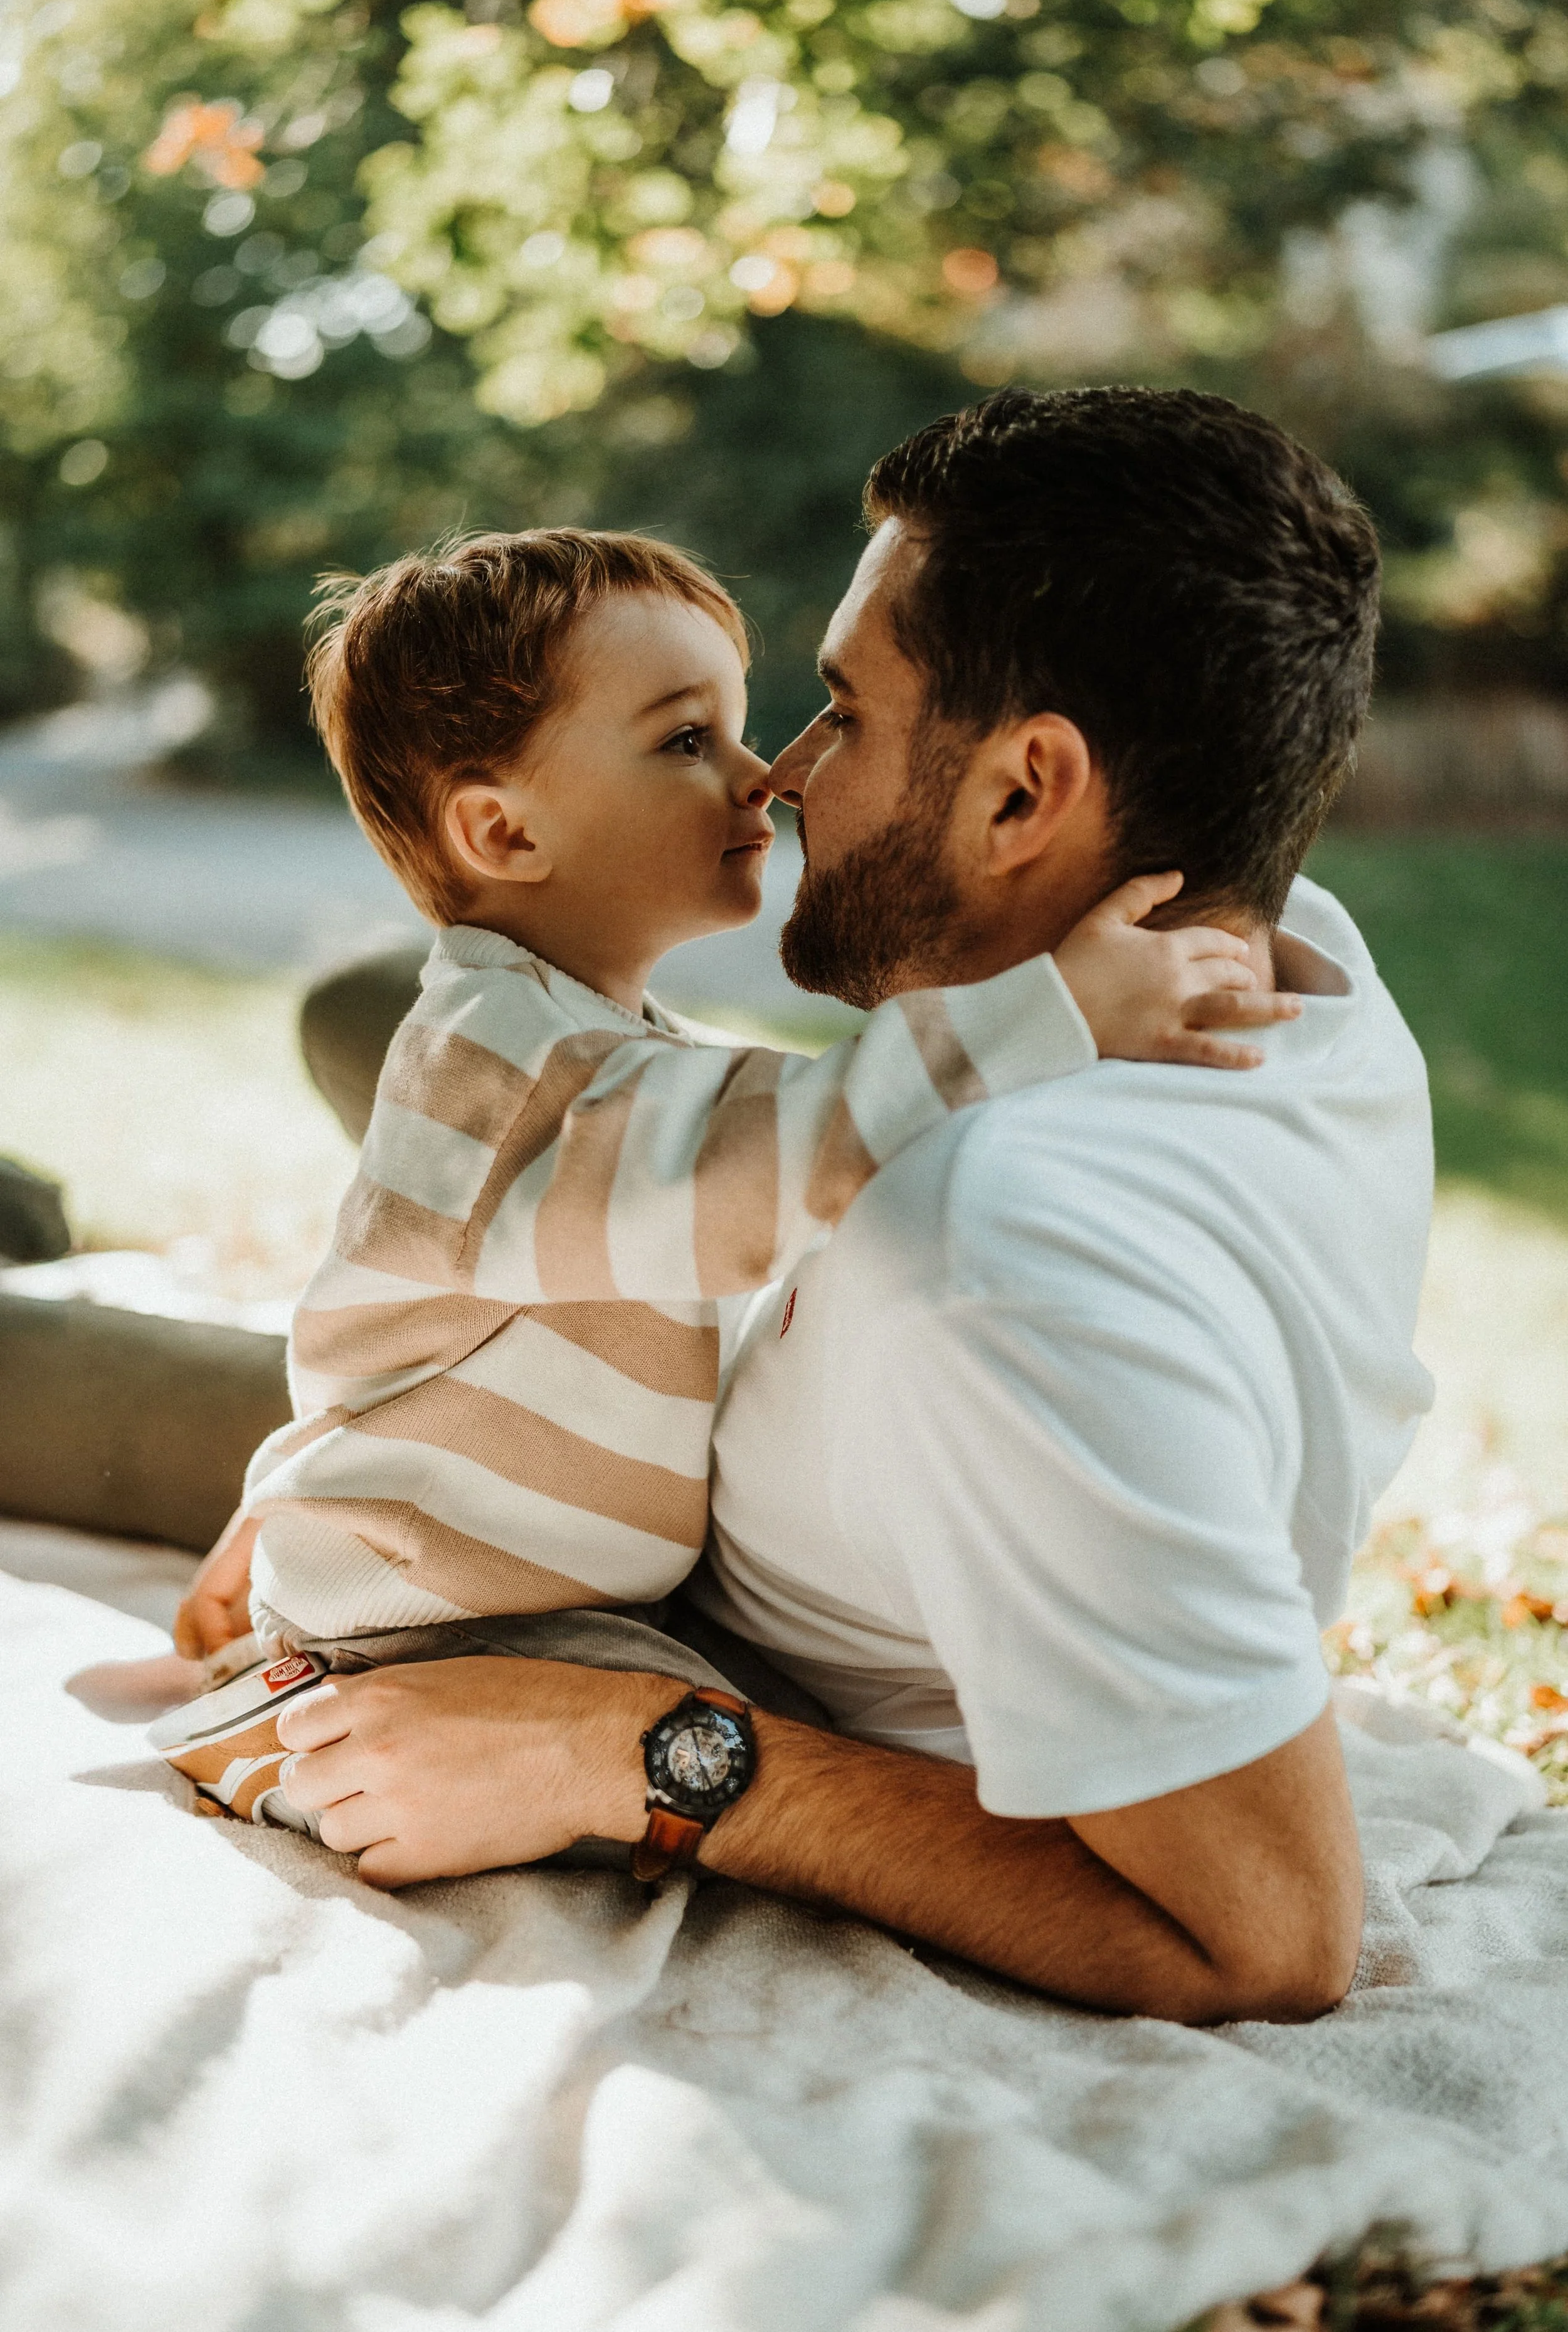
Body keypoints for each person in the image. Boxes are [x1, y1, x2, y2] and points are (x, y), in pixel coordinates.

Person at [179, 386, 1433, 2025]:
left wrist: (627, 1748)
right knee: (396, 1067)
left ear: (1021, 793)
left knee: (366, 1200)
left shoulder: (992, 1268)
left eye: (838, 710)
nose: (779, 773)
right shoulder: (1288, 944)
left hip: (564, 1465)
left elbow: (1266, 1935)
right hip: (577, 1362)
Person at [152, 526, 1288, 1831]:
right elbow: (761, 1168)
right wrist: (1050, 1011)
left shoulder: (600, 1044)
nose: (764, 779)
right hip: (428, 1637)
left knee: (815, 1738)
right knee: (794, 1770)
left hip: (554, 1604)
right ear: (504, 830)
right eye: (687, 740)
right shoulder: (490, 1068)